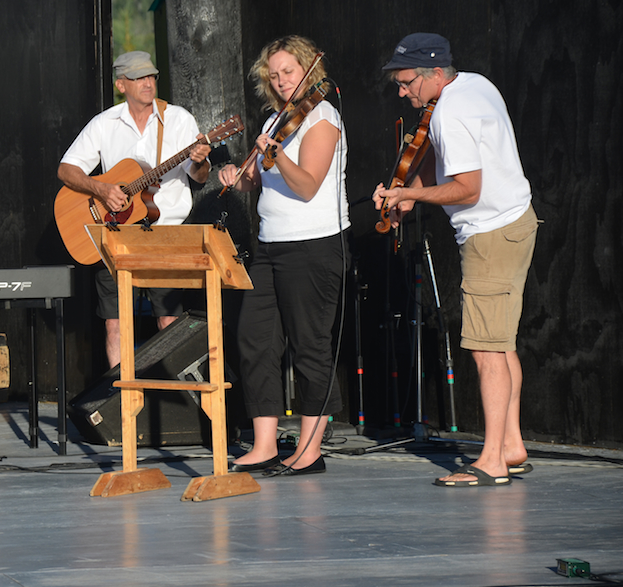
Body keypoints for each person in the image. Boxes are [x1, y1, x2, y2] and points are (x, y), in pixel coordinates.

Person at [374, 33, 538, 487]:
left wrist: (409, 193)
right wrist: (413, 190)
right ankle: (510, 445)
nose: (402, 91)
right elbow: (441, 161)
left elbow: (468, 188)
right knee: (501, 343)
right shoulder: (475, 84)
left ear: (435, 74)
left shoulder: (450, 110)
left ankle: (491, 461)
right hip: (514, 223)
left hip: (491, 235)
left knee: (487, 351)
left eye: (407, 83)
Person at [218, 35, 350, 476]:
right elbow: (254, 180)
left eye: (288, 72)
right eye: (273, 75)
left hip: (313, 245)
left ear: (309, 68)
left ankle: (310, 451)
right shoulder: (278, 119)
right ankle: (264, 445)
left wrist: (275, 159)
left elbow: (308, 184)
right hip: (270, 245)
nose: (281, 81)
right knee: (255, 340)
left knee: (309, 346)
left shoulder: (323, 117)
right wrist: (238, 173)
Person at [57, 50, 211, 368]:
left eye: (151, 76)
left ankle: (172, 402)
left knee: (169, 320)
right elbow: (66, 170)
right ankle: (120, 400)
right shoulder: (105, 123)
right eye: (138, 78)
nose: (147, 83)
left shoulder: (179, 119)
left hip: (165, 235)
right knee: (115, 324)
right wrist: (101, 189)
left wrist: (200, 162)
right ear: (120, 84)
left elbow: (199, 177)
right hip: (116, 232)